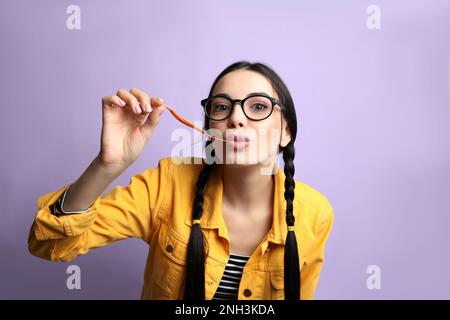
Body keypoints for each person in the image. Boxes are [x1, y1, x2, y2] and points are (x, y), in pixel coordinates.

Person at [28, 61, 334, 300]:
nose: (236, 118)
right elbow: (49, 244)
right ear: (209, 131)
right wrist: (107, 165)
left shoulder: (315, 215)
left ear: (286, 131)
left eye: (258, 106)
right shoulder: (166, 184)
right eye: (222, 107)